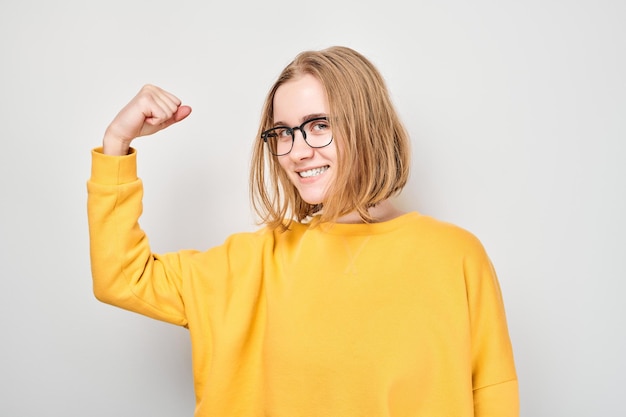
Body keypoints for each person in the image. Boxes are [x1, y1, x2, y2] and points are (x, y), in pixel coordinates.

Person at [87, 46, 519, 416]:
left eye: (319, 125)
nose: (296, 151)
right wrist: (116, 141)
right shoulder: (251, 265)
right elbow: (123, 278)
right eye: (283, 133)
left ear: (365, 124)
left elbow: (494, 397)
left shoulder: (456, 257)